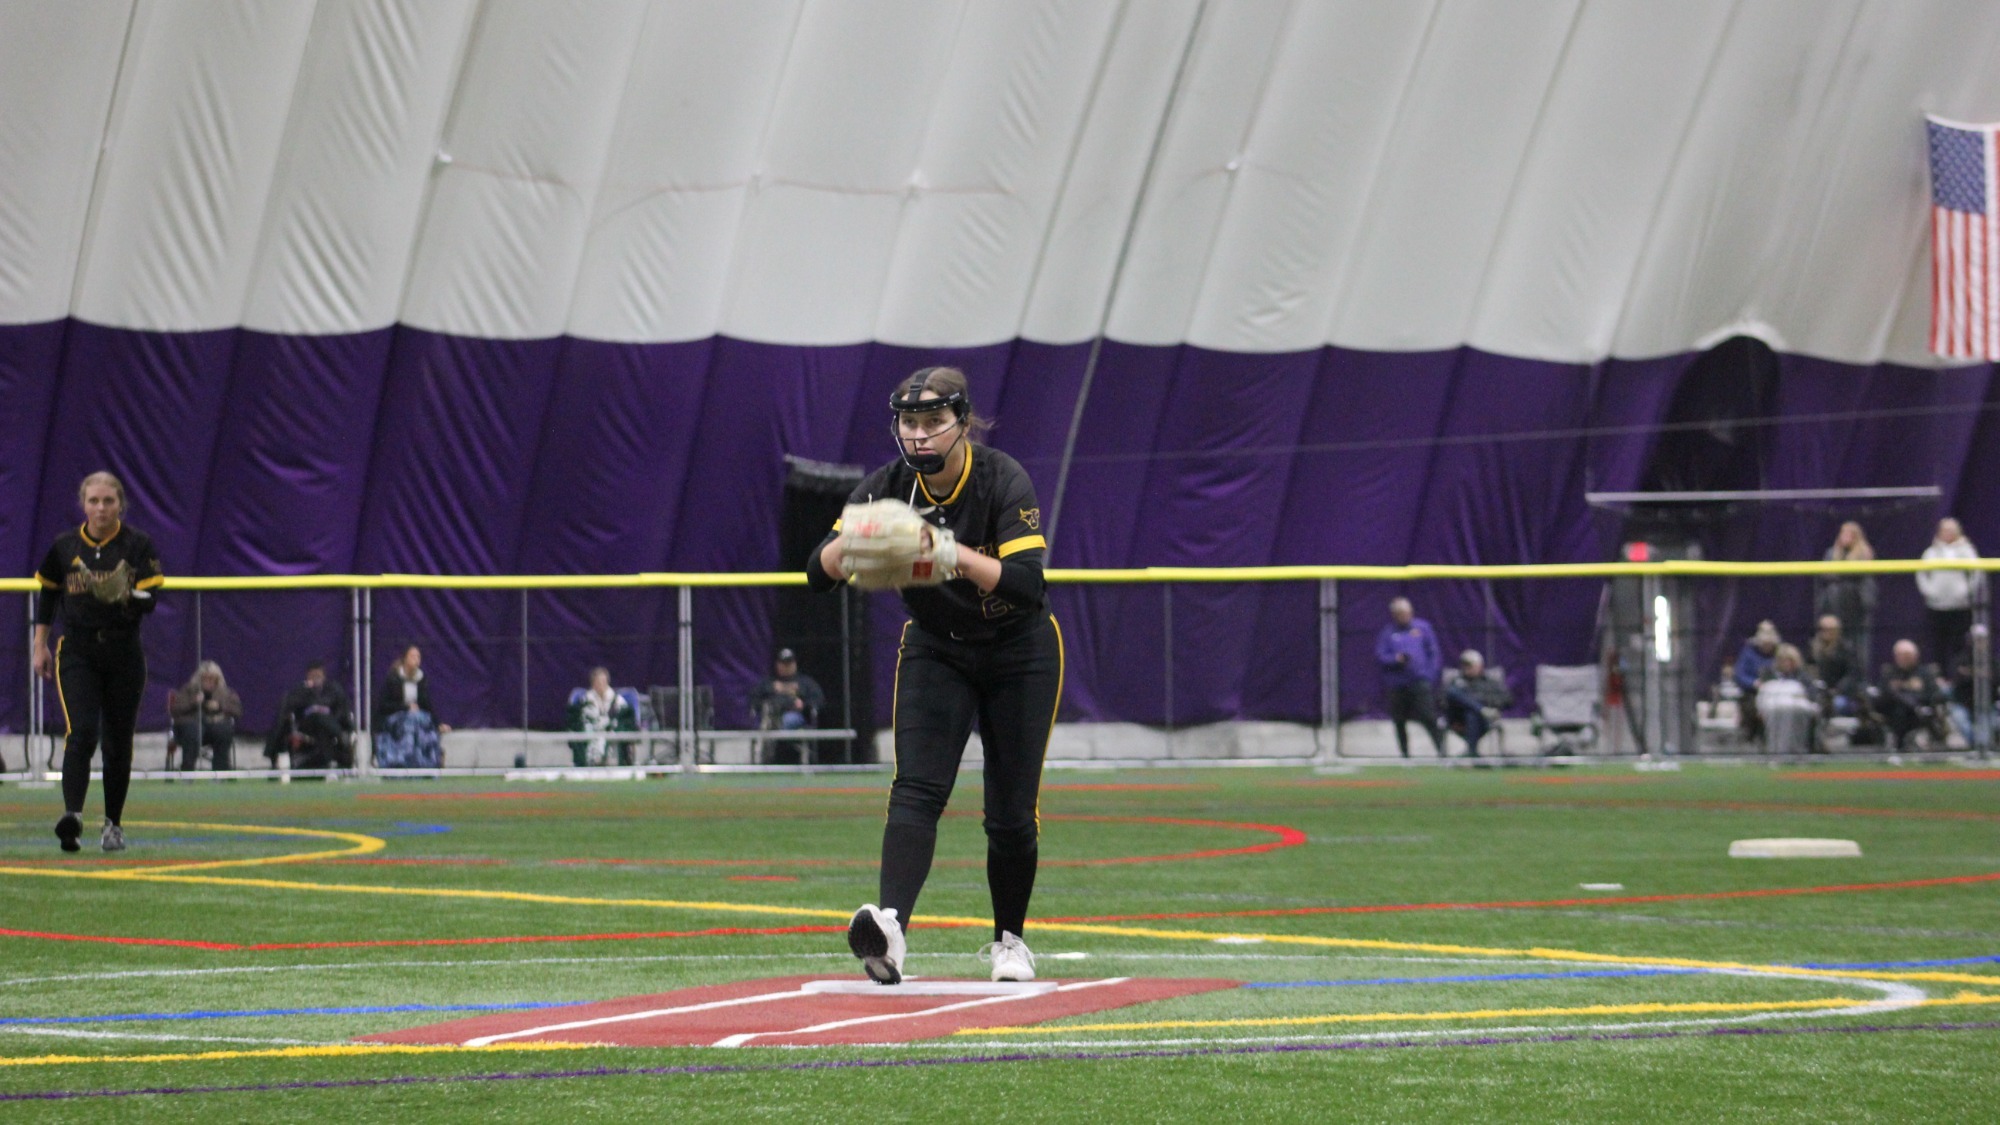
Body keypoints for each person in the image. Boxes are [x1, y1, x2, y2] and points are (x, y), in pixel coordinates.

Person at [806, 366, 1059, 985]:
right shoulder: (886, 488)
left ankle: (1010, 942)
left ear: (962, 423)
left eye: (933, 422)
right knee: (915, 790)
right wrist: (859, 542)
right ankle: (890, 930)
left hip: (1017, 650)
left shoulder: (1002, 478)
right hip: (936, 648)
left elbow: (1027, 587)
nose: (919, 436)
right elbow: (818, 571)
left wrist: (947, 552)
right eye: (909, 423)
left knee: (1009, 815)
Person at [32, 472, 164, 852]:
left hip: (123, 652)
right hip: (79, 651)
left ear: (120, 504)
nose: (101, 507)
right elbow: (48, 594)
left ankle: (113, 824)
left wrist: (129, 594)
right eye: (94, 500)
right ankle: (72, 816)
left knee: (118, 741)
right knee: (82, 732)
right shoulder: (66, 546)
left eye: (108, 500)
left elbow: (152, 600)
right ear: (83, 503)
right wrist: (40, 643)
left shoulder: (136, 544)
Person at [1376, 597, 1444, 758]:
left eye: (1407, 612)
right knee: (1399, 720)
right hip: (1397, 683)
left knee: (1428, 716)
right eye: (1400, 613)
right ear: (1394, 614)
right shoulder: (1388, 633)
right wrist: (1396, 659)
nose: (1404, 616)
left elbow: (1434, 653)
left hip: (1420, 681)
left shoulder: (1423, 628)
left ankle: (1443, 752)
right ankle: (1405, 755)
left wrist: (1429, 674)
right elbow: (1380, 656)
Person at [1916, 518, 1982, 680]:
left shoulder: (1966, 550)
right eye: (1944, 530)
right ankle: (1941, 678)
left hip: (1960, 606)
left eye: (1951, 530)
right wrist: (1929, 591)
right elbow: (1921, 574)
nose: (1948, 533)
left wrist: (1966, 592)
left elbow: (1977, 573)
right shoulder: (1931, 552)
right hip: (1937, 606)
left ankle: (1958, 677)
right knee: (1939, 644)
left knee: (1959, 644)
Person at [267, 661, 356, 770]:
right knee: (316, 715)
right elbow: (290, 707)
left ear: (324, 676)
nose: (315, 678)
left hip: (328, 725)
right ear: (307, 676)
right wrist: (307, 691)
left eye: (318, 675)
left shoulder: (334, 689)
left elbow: (342, 710)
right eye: (312, 675)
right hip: (307, 724)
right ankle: (340, 736)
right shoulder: (300, 690)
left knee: (322, 723)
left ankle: (330, 759)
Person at [1815, 521, 1877, 672]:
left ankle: (1859, 681)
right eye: (1843, 533)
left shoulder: (1864, 554)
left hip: (1857, 609)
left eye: (1850, 534)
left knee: (1858, 648)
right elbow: (1825, 576)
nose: (1846, 537)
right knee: (1832, 644)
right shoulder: (1831, 553)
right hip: (1835, 607)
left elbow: (1866, 582)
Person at [375, 645, 449, 768]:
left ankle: (429, 761)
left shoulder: (421, 679)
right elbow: (384, 706)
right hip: (395, 718)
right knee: (411, 721)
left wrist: (438, 724)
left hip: (417, 718)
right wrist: (406, 708)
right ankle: (402, 761)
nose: (416, 659)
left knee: (422, 723)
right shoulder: (393, 679)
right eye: (412, 656)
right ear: (405, 659)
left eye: (418, 656)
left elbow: (427, 705)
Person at [1872, 639, 1949, 751]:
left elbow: (1935, 694)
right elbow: (1882, 695)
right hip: (1894, 714)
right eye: (1901, 655)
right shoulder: (1889, 673)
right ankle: (1898, 745)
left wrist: (1916, 699)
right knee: (1898, 703)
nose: (1904, 658)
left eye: (1907, 655)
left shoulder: (1925, 673)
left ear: (1916, 656)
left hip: (1920, 715)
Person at [167, 661, 242, 771]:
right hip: (191, 728)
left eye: (212, 679)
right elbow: (175, 710)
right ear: (199, 679)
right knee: (193, 731)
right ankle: (187, 771)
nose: (209, 683)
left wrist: (220, 707)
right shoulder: (188, 690)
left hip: (214, 727)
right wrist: (194, 702)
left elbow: (237, 711)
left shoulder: (225, 692)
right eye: (206, 679)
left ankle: (221, 772)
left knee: (223, 731)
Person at [1441, 649, 1511, 758]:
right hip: (1458, 720)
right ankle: (1472, 753)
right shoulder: (1456, 682)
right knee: (1456, 695)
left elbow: (1507, 699)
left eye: (1469, 665)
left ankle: (1471, 752)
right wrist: (1480, 707)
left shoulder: (1488, 682)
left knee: (1472, 714)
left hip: (1484, 721)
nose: (1466, 668)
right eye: (1464, 665)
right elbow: (1443, 698)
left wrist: (1484, 701)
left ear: (1479, 666)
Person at [566, 666, 637, 766]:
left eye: (603, 681)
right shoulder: (584, 701)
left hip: (613, 738)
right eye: (598, 682)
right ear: (593, 684)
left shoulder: (618, 701)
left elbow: (627, 722)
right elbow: (576, 722)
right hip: (591, 737)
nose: (601, 685)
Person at [1755, 644, 1819, 754]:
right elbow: (1763, 694)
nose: (1786, 664)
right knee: (1777, 712)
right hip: (1774, 707)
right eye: (1783, 660)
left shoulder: (1803, 677)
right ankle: (1775, 750)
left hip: (1798, 707)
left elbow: (1811, 695)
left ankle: (1798, 750)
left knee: (1794, 712)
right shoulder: (1768, 674)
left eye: (1789, 660)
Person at [1731, 620, 1781, 742]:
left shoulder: (1780, 653)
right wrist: (1754, 683)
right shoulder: (1748, 653)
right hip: (1753, 693)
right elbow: (1739, 674)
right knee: (1751, 709)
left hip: (1778, 693)